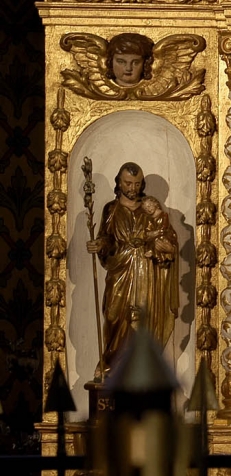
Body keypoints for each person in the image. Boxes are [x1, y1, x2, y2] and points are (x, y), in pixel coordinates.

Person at [86, 162, 179, 378]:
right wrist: (100, 244)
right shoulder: (111, 209)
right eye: (128, 183)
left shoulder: (151, 209)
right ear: (119, 182)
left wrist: (162, 246)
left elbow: (168, 236)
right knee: (113, 315)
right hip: (121, 269)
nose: (132, 188)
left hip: (146, 272)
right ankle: (110, 362)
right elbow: (107, 238)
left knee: (142, 317)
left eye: (137, 184)